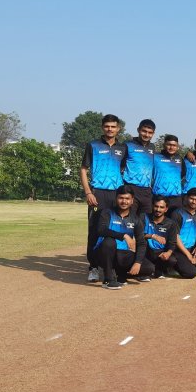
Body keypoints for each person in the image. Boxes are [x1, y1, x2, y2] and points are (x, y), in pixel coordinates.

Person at [80, 114, 127, 282]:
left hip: (116, 194)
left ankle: (110, 266)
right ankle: (93, 268)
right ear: (102, 127)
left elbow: (122, 169)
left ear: (118, 128)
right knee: (94, 230)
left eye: (113, 126)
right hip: (97, 193)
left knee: (115, 229)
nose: (110, 129)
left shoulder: (122, 148)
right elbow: (83, 169)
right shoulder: (93, 145)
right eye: (107, 126)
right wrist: (88, 192)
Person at [93, 185, 153, 289]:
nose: (124, 201)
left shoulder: (135, 219)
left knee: (149, 268)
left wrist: (138, 262)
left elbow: (141, 242)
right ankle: (108, 280)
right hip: (104, 254)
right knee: (109, 241)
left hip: (124, 255)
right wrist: (123, 235)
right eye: (121, 198)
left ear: (132, 201)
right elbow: (101, 230)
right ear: (116, 199)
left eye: (127, 199)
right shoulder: (107, 213)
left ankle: (121, 274)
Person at [170, 188, 196, 279]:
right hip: (178, 249)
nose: (194, 202)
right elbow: (176, 237)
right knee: (191, 274)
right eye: (191, 199)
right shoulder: (177, 213)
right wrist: (188, 255)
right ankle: (173, 267)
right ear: (186, 198)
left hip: (192, 248)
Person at [123, 119, 156, 216]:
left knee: (145, 222)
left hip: (146, 190)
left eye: (150, 133)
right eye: (144, 131)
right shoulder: (127, 145)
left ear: (153, 133)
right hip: (130, 188)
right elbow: (120, 165)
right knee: (130, 220)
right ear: (138, 130)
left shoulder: (152, 147)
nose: (146, 135)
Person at [143, 195, 179, 278]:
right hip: (146, 252)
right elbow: (137, 235)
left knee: (172, 260)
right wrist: (152, 236)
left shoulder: (171, 223)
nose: (158, 209)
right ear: (152, 206)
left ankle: (158, 270)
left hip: (160, 253)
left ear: (166, 209)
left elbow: (172, 242)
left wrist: (168, 253)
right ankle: (146, 271)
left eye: (161, 207)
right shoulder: (144, 217)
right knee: (143, 241)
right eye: (156, 206)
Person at [152, 134, 184, 212]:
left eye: (174, 145)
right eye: (169, 145)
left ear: (177, 146)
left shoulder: (180, 159)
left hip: (176, 198)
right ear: (164, 145)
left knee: (175, 222)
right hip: (159, 197)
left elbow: (183, 174)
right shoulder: (155, 157)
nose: (171, 147)